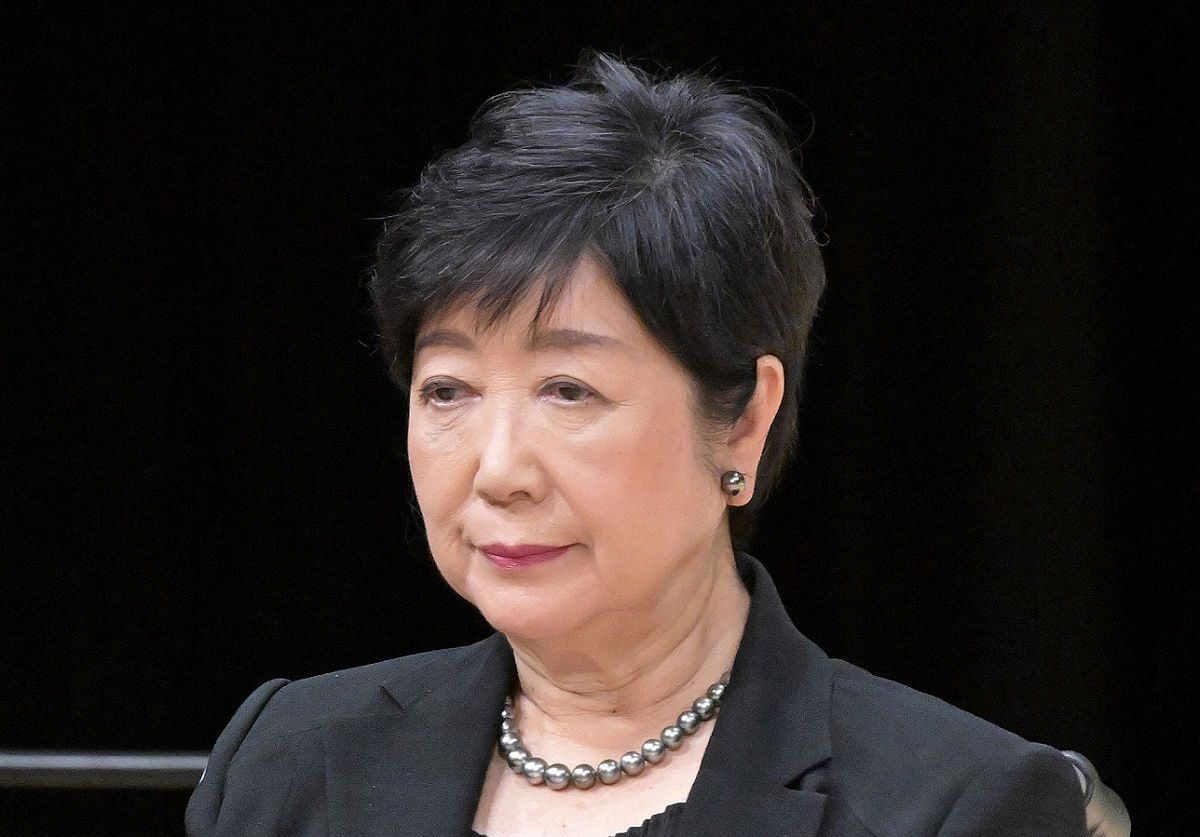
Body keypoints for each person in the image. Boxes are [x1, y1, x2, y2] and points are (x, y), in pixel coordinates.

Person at [186, 53, 1093, 836]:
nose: (498, 471)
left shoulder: (952, 802)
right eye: (449, 390)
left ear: (743, 419)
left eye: (568, 390)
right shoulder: (290, 759)